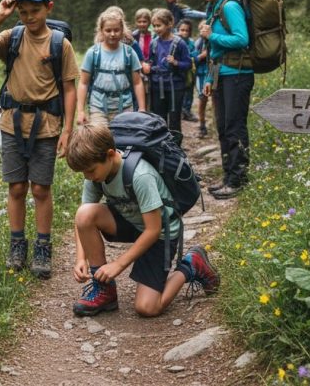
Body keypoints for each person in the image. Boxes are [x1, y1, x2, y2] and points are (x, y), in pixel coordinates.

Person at [0, 0, 79, 279]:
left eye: (35, 10)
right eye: (23, 12)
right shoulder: (12, 37)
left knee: (41, 188)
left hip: (47, 125)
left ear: (48, 8)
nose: (29, 17)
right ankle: (17, 244)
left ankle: (43, 247)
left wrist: (68, 131)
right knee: (16, 187)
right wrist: (0, 15)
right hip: (12, 123)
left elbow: (70, 89)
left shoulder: (59, 44)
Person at [66, 123, 220, 317]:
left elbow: (153, 231)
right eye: (84, 173)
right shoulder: (96, 175)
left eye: (90, 171)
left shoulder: (141, 175)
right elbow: (81, 220)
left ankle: (192, 264)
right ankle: (104, 289)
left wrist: (118, 264)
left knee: (147, 308)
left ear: (110, 154)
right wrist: (81, 258)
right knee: (84, 214)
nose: (88, 177)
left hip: (159, 232)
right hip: (132, 220)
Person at [198, 0, 252, 199]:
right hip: (221, 74)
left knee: (234, 126)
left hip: (238, 74)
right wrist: (210, 78)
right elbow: (215, 51)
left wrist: (212, 35)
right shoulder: (214, 7)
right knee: (222, 127)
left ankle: (238, 180)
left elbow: (242, 39)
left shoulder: (229, 6)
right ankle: (229, 177)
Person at [77, 7, 146, 127]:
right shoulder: (93, 53)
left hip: (125, 107)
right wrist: (81, 111)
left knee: (122, 138)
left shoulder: (129, 53)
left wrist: (142, 108)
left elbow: (137, 82)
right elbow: (83, 83)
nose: (113, 34)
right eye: (108, 30)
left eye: (116, 30)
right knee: (100, 138)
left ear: (122, 30)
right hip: (98, 107)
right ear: (101, 31)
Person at [141, 8, 191, 147]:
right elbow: (151, 61)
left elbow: (188, 64)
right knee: (159, 119)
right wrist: (147, 66)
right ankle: (162, 147)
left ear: (169, 23)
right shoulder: (154, 43)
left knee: (174, 119)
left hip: (175, 87)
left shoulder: (179, 43)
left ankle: (175, 148)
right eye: (154, 26)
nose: (156, 29)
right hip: (157, 86)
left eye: (159, 25)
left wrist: (176, 63)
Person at [131, 8, 153, 111]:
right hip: (137, 67)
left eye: (144, 21)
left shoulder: (153, 35)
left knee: (149, 93)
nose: (142, 24)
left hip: (150, 67)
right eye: (139, 22)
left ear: (149, 22)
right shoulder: (133, 36)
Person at [176, 18, 197, 123]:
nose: (184, 33)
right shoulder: (175, 41)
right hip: (178, 72)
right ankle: (179, 112)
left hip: (189, 72)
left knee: (189, 92)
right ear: (177, 30)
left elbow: (194, 54)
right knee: (179, 93)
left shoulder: (191, 43)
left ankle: (187, 111)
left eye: (186, 30)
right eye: (182, 30)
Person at [193, 20, 211, 139]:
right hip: (201, 74)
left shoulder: (213, 41)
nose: (203, 31)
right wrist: (201, 55)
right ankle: (202, 125)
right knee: (202, 98)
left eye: (205, 28)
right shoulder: (198, 43)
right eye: (201, 29)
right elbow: (193, 57)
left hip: (212, 72)